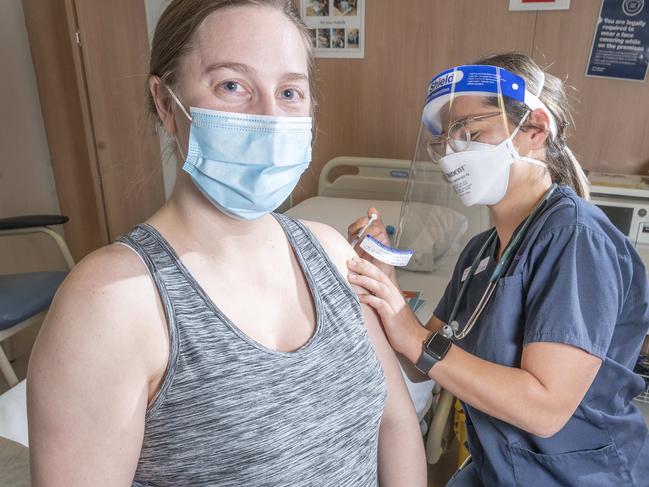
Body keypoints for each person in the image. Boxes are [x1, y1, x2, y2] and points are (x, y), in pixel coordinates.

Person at [27, 1, 427, 486]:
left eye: (289, 92)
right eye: (232, 86)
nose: (269, 117)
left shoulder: (330, 254)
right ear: (165, 101)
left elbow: (396, 423)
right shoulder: (111, 300)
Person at [347, 53, 649, 486]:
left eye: (471, 133)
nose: (454, 155)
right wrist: (384, 280)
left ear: (535, 130)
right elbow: (419, 363)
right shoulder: (480, 253)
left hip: (579, 476)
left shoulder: (574, 237)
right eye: (447, 141)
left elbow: (543, 409)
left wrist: (410, 333)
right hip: (498, 469)